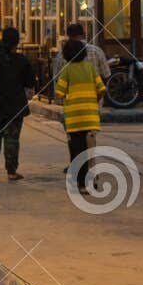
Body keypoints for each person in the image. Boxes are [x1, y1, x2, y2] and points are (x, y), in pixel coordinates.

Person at [0, 26, 35, 181]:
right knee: (12, 139)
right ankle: (11, 172)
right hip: (16, 106)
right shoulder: (23, 61)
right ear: (17, 42)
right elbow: (30, 86)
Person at [55, 38, 106, 191]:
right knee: (89, 150)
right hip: (90, 117)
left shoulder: (67, 69)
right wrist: (92, 101)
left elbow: (59, 93)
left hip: (74, 118)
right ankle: (92, 181)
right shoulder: (90, 68)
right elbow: (101, 89)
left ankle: (81, 184)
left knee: (77, 150)